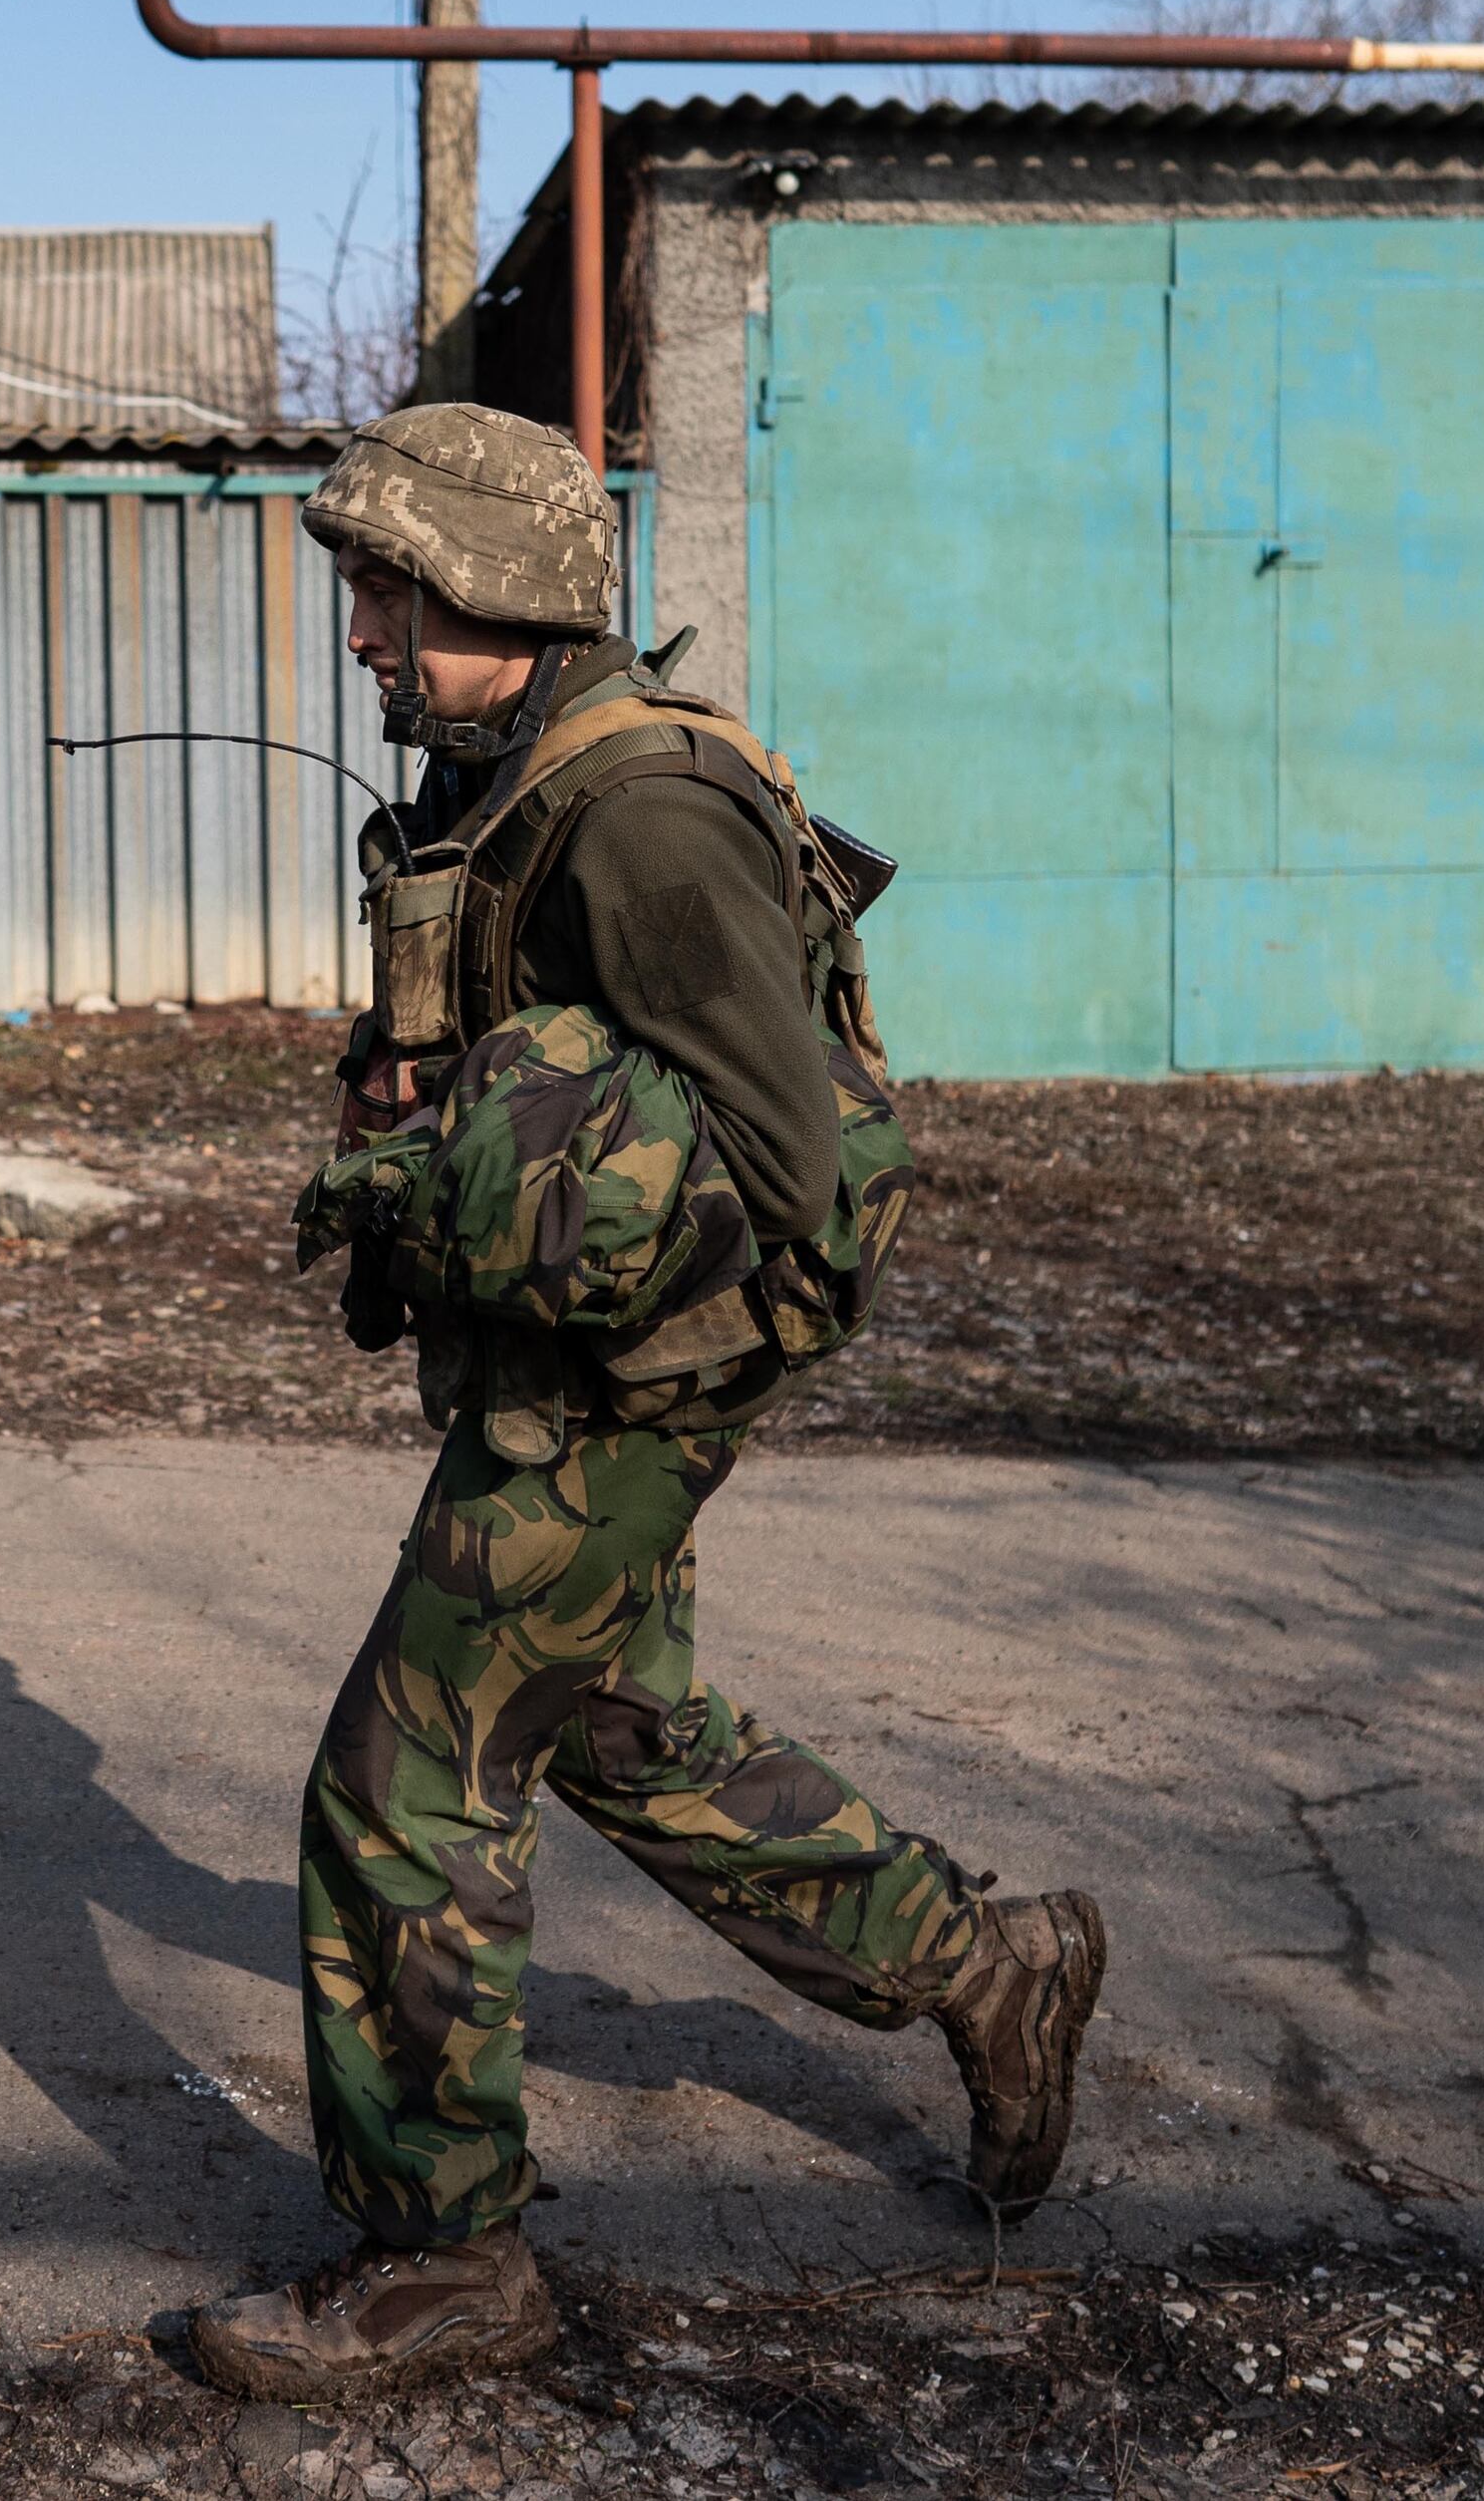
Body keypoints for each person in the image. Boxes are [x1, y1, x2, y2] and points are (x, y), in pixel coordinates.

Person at [185, 404, 1110, 2409]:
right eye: (361, 589)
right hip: (592, 1343)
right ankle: (985, 1961)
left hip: (632, 1370)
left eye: (390, 590)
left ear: (499, 584)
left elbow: (779, 1158)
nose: (362, 630)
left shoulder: (643, 810)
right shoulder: (518, 771)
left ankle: (443, 2261)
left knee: (405, 1784)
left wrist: (492, 1159)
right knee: (611, 1721)